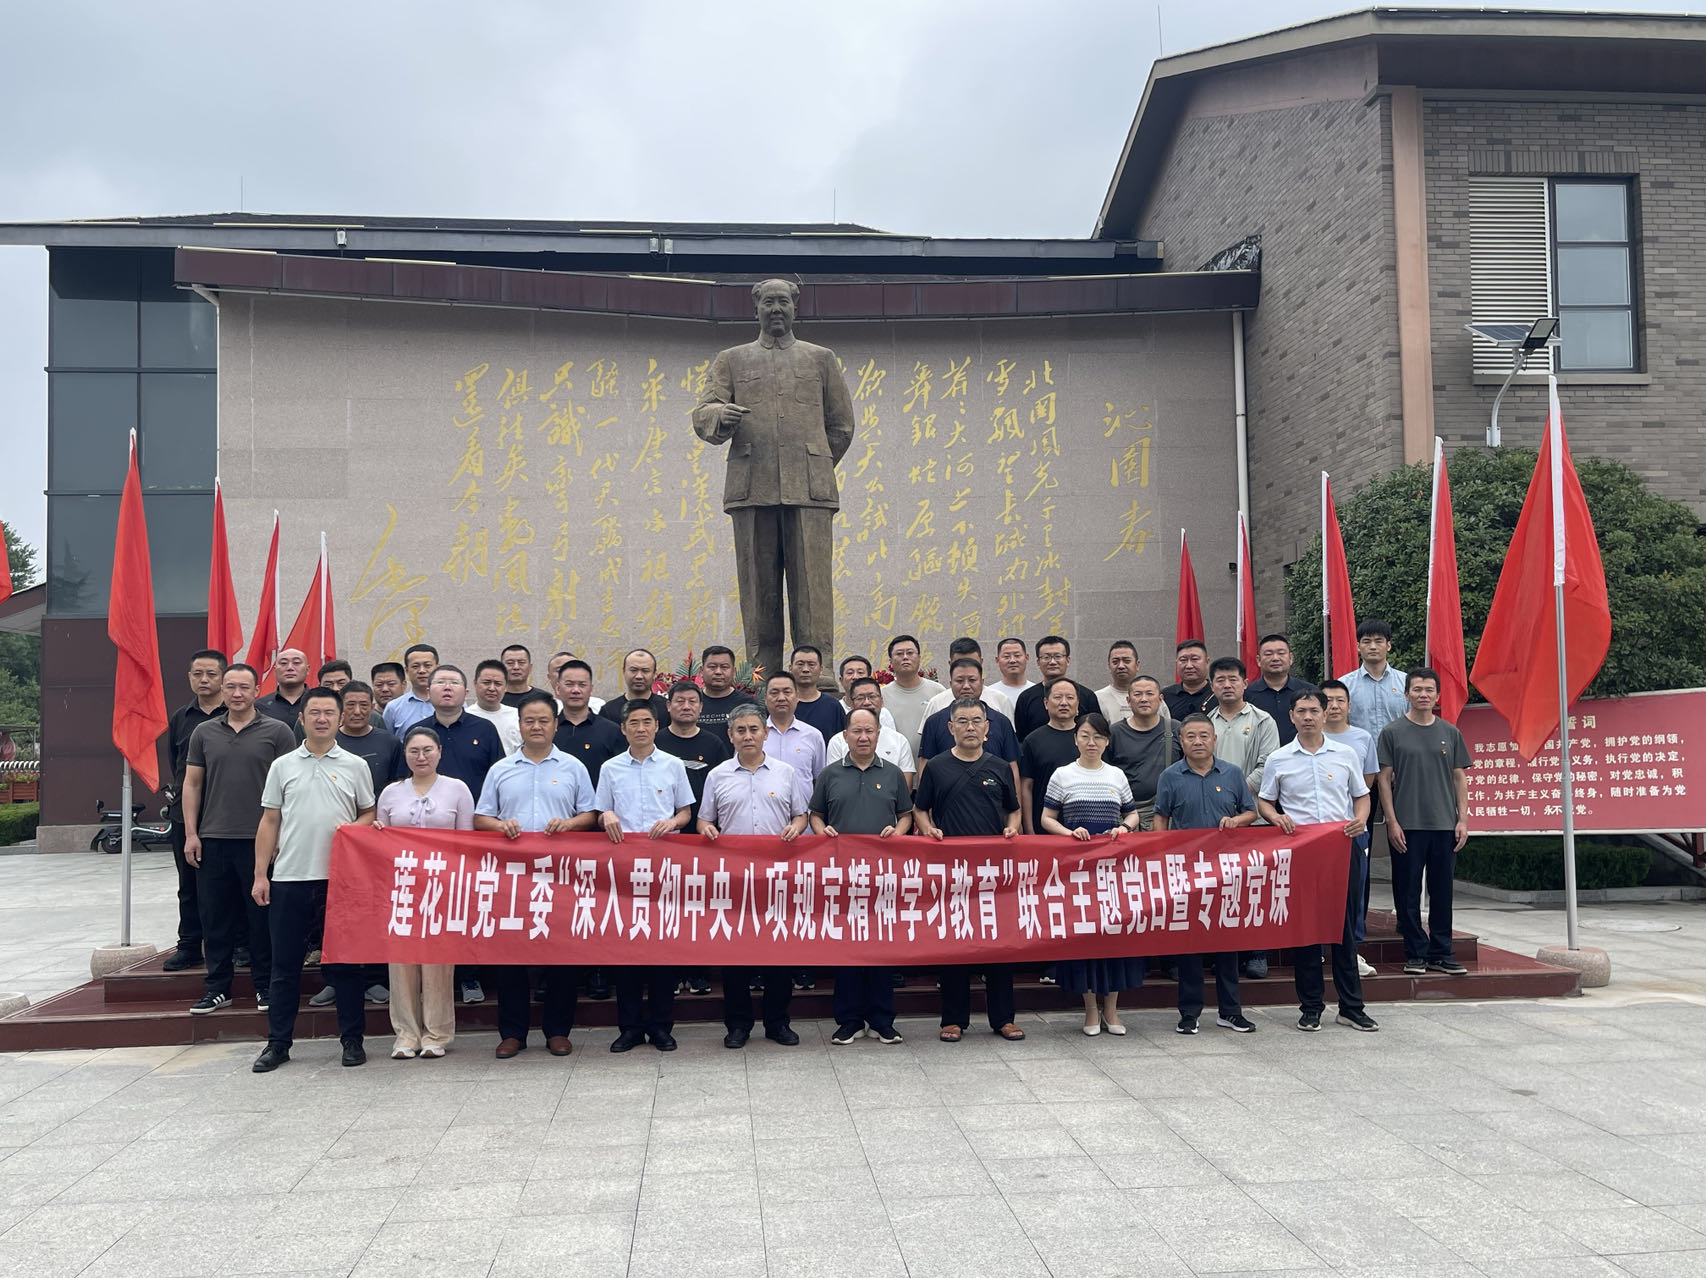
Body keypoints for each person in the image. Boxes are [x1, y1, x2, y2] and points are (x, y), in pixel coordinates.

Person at [690, 277, 856, 683]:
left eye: (783, 301)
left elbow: (841, 425)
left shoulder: (820, 359)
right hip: (752, 486)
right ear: (756, 309)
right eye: (768, 302)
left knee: (813, 590)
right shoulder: (732, 360)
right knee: (757, 591)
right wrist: (720, 416)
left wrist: (813, 465)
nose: (776, 309)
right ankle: (760, 679)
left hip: (809, 491)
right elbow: (703, 412)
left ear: (796, 308)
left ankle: (818, 673)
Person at [250, 686, 377, 1072]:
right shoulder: (283, 766)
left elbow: (369, 813)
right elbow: (269, 820)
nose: (322, 719)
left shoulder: (355, 765)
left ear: (341, 718)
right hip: (290, 877)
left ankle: (352, 1040)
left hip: (339, 881)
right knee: (285, 967)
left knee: (344, 966)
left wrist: (351, 829)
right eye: (314, 713)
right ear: (301, 718)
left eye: (329, 713)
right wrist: (260, 874)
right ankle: (278, 1044)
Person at [475, 692, 599, 1058]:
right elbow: (480, 817)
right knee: (510, 955)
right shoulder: (501, 769)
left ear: (555, 725)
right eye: (529, 720)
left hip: (559, 874)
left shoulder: (573, 767)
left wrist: (569, 824)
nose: (536, 726)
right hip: (512, 875)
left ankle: (558, 1030)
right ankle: (513, 1032)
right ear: (519, 726)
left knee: (561, 954)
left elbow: (590, 814)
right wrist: (500, 826)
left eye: (544, 720)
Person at [1258, 689, 1379, 1032]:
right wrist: (1275, 817)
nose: (1308, 717)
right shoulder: (1279, 758)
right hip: (1302, 853)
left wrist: (1360, 819)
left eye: (1314, 710)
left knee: (1344, 930)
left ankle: (1351, 1007)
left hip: (1341, 849)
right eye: (1302, 711)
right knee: (1307, 930)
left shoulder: (1345, 754)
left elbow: (1362, 796)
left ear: (1325, 714)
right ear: (1291, 716)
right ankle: (1311, 1006)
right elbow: (1265, 801)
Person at [182, 663, 297, 1015]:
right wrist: (191, 833)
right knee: (215, 918)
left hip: (260, 839)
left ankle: (265, 986)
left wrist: (281, 836)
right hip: (212, 837)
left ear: (256, 690)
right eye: (230, 686)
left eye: (244, 687)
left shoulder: (278, 731)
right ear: (222, 690)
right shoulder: (204, 732)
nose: (236, 693)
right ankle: (217, 988)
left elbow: (291, 788)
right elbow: (192, 783)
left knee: (261, 917)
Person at [697, 703, 811, 1048]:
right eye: (741, 730)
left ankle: (777, 1022)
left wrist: (796, 827)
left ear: (765, 733)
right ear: (730, 735)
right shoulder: (717, 775)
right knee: (735, 955)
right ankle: (738, 1024)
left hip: (777, 877)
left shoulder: (785, 773)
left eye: (754, 729)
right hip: (734, 879)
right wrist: (707, 830)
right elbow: (704, 819)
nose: (748, 736)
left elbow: (801, 815)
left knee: (779, 953)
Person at [913, 697, 1025, 1043]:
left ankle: (1003, 1018)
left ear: (987, 727)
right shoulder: (937, 767)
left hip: (993, 873)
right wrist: (929, 829)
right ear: (951, 728)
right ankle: (953, 1019)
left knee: (999, 945)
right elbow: (920, 809)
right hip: (953, 873)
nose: (970, 727)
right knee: (955, 945)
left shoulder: (999, 767)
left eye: (977, 721)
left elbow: (1014, 809)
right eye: (962, 721)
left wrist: (1012, 828)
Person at [809, 705, 913, 1045]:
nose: (864, 737)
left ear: (878, 734)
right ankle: (849, 1020)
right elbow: (815, 814)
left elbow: (906, 815)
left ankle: (882, 1020)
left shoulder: (893, 773)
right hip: (842, 876)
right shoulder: (830, 774)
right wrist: (822, 831)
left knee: (882, 947)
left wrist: (898, 831)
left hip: (883, 876)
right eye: (857, 731)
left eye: (869, 731)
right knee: (847, 949)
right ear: (845, 735)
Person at [595, 699, 695, 1052]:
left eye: (646, 722)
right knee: (627, 949)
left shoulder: (672, 765)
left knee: (662, 950)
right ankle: (630, 1027)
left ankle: (661, 1026)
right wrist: (605, 815)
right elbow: (601, 811)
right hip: (624, 871)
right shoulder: (610, 768)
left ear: (656, 726)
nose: (640, 728)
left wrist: (672, 822)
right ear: (623, 729)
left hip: (664, 867)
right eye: (633, 723)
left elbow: (685, 812)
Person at [1153, 714, 1258, 1035]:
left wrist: (1236, 821)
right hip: (1186, 872)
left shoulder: (1232, 773)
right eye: (1190, 736)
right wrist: (1163, 854)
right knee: (1189, 944)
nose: (1197, 741)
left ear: (1214, 739)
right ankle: (1189, 1012)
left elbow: (1250, 811)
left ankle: (1231, 1011)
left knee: (1227, 943)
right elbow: (1161, 817)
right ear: (1181, 741)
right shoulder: (1170, 776)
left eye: (1203, 735)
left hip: (1226, 871)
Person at [1040, 712, 1143, 1034]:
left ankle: (1111, 1010)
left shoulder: (1116, 775)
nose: (1091, 742)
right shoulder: (1062, 775)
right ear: (1075, 739)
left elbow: (1133, 813)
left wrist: (1124, 828)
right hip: (1077, 870)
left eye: (1098, 737)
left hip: (1112, 871)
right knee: (1083, 937)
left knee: (1114, 937)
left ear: (1107, 741)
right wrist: (1069, 834)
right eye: (1085, 736)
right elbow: (1046, 818)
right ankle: (1089, 1011)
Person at [373, 724, 471, 1059]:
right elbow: (380, 842)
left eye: (428, 750)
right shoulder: (391, 793)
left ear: (439, 752)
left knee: (437, 962)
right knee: (401, 962)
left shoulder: (457, 789)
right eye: (414, 751)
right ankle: (406, 1034)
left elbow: (467, 843)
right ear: (405, 755)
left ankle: (436, 1033)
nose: (421, 756)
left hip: (442, 887)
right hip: (401, 888)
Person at [410, 664, 505, 1007]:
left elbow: (498, 777)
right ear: (428, 691)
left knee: (466, 906)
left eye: (454, 682)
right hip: (426, 839)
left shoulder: (485, 729)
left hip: (473, 834)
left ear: (466, 691)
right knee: (429, 906)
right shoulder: (417, 732)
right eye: (440, 682)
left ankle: (468, 975)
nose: (447, 687)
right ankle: (431, 979)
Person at [1377, 667, 1472, 977]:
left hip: (1444, 825)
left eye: (1429, 690)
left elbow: (1459, 777)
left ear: (1437, 695)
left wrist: (1462, 819)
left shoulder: (1450, 732)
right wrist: (1391, 821)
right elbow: (1384, 779)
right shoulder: (1392, 732)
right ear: (1406, 694)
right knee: (1407, 891)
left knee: (1442, 891)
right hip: (1407, 825)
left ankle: (1441, 952)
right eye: (1417, 689)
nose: (1423, 695)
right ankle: (1416, 952)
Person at [1206, 656, 1280, 979]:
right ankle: (1224, 953)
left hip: (1253, 817)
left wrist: (1233, 792)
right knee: (1220, 889)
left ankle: (1256, 953)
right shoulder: (1206, 722)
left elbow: (1268, 765)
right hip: (1215, 821)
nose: (1227, 685)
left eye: (1233, 679)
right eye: (1220, 680)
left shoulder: (1263, 720)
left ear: (1245, 683)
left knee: (1253, 887)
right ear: (1212, 686)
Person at [158, 648, 227, 973]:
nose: (204, 680)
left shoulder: (235, 713)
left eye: (211, 674)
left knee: (230, 884)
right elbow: (177, 766)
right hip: (187, 815)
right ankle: (189, 945)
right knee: (188, 884)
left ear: (223, 678)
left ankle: (236, 944)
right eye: (197, 674)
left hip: (227, 813)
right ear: (189, 677)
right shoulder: (181, 718)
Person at [1322, 678, 1380, 975]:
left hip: (1352, 829)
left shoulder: (1362, 738)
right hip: (1316, 832)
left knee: (1353, 892)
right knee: (1318, 893)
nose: (1333, 706)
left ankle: (1352, 950)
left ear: (1349, 705)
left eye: (1339, 700)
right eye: (1327, 700)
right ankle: (1319, 949)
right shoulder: (1308, 737)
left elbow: (1365, 785)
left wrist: (1357, 817)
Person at [917, 659, 1022, 781]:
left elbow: (1012, 768)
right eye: (959, 681)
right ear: (950, 684)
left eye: (972, 680)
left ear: (982, 682)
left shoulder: (1001, 722)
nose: (966, 686)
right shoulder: (934, 722)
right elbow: (925, 768)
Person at [1104, 675, 1181, 831]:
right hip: (1126, 817)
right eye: (1138, 694)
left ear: (1160, 699)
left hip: (1168, 815)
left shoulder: (1176, 729)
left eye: (1149, 694)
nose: (1144, 699)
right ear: (1128, 700)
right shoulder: (1114, 733)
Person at [1019, 678, 1084, 835]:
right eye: (1057, 697)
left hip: (1085, 829)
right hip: (1044, 829)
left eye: (1070, 697)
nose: (1064, 703)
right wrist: (1029, 830)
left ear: (1077, 703)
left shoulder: (1088, 738)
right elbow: (1026, 787)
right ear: (1046, 703)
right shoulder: (1032, 741)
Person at [826, 677, 915, 788]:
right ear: (852, 704)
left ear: (881, 701)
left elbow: (905, 787)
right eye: (860, 698)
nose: (867, 702)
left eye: (872, 696)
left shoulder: (899, 741)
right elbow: (833, 783)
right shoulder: (838, 741)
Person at [550, 658, 625, 786]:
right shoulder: (548, 730)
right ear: (558, 688)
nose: (576, 690)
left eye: (582, 685)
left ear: (591, 689)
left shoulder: (611, 731)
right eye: (569, 684)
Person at [1013, 636, 1099, 740]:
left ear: (1067, 660)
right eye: (1046, 657)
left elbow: (1097, 732)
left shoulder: (1087, 696)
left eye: (1058, 656)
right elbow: (1021, 739)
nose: (1052, 662)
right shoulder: (1026, 698)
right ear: (1038, 662)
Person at [334, 682, 405, 802]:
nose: (357, 711)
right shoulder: (330, 742)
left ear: (372, 707)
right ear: (340, 708)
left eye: (363, 705)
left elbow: (399, 786)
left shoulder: (390, 743)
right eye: (350, 705)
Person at [1243, 634, 1315, 746]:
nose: (1275, 658)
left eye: (1281, 653)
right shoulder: (1246, 694)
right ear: (1259, 660)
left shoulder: (1310, 691)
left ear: (1290, 658)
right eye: (1268, 654)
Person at [882, 634, 945, 758]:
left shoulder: (938, 691)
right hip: (894, 763)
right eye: (899, 654)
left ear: (919, 658)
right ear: (891, 662)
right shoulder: (881, 695)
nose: (905, 657)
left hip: (931, 762)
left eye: (910, 653)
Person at [1342, 618, 1408, 736]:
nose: (1373, 646)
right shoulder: (1345, 685)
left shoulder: (1405, 682)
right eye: (1366, 641)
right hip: (1358, 748)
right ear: (1358, 646)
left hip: (1398, 747)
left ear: (1388, 645)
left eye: (1378, 641)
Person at [922, 640, 1013, 723]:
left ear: (981, 662)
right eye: (959, 663)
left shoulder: (1000, 700)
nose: (966, 667)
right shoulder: (937, 703)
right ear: (950, 664)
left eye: (972, 662)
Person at [760, 671, 827, 782]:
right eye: (774, 693)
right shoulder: (754, 736)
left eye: (787, 692)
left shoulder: (813, 736)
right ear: (765, 699)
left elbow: (820, 779)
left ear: (797, 696)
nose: (781, 698)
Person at [696, 645, 755, 745]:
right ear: (701, 671)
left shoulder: (747, 703)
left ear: (734, 671)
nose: (718, 672)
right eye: (712, 667)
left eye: (724, 667)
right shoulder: (692, 702)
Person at [597, 648, 669, 727]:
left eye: (645, 671)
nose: (639, 676)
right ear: (624, 671)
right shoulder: (608, 711)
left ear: (654, 674)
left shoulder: (668, 709)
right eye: (633, 670)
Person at [465, 659, 522, 754]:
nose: (492, 688)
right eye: (486, 682)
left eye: (498, 684)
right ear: (475, 683)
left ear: (506, 687)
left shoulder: (518, 716)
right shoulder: (464, 717)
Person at [381, 643, 438, 733]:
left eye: (427, 665)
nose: (422, 671)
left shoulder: (452, 704)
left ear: (437, 668)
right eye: (415, 666)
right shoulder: (393, 707)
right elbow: (387, 739)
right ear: (407, 670)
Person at [835, 655, 897, 729]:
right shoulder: (836, 710)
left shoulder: (883, 713)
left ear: (869, 678)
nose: (855, 677)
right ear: (841, 680)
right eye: (850, 673)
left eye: (860, 672)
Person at [1094, 640, 1146, 724]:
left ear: (1137, 665)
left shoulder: (1151, 697)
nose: (1121, 666)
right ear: (1109, 666)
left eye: (1127, 661)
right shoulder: (1097, 698)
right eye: (1115, 662)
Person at [1162, 639, 1216, 719]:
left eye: (1195, 659)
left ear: (1207, 662)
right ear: (1176, 663)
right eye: (1183, 660)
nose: (1189, 666)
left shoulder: (1217, 693)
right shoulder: (1165, 696)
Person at [255, 648, 309, 725]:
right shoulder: (258, 706)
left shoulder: (319, 702)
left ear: (307, 669)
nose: (290, 668)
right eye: (283, 663)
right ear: (275, 670)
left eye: (296, 663)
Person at [499, 643, 546, 707]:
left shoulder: (544, 698)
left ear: (530, 667)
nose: (516, 667)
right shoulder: (494, 698)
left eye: (521, 662)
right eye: (510, 663)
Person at [994, 636, 1034, 702]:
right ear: (997, 660)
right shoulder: (989, 694)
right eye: (1006, 656)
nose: (1012, 660)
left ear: (1027, 658)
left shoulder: (1038, 692)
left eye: (1017, 655)